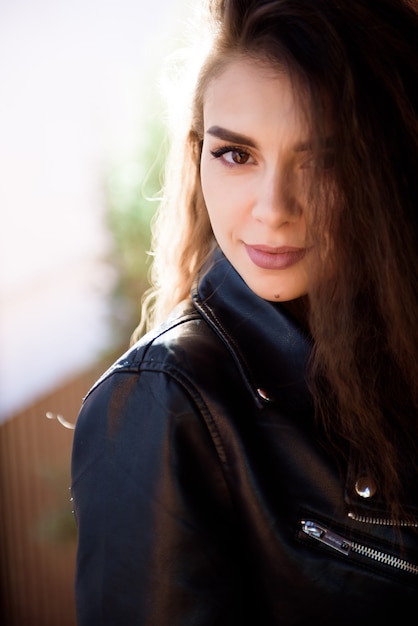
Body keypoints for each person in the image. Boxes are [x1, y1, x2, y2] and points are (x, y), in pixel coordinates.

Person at [70, 0, 418, 623]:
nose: (274, 208)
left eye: (325, 161)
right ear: (198, 153)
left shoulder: (396, 345)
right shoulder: (163, 403)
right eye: (237, 154)